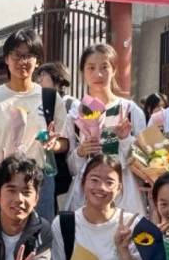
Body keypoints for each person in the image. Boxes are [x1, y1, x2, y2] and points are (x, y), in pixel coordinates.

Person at [0, 28, 68, 222]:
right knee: (3, 231)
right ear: (6, 59)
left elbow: (65, 142)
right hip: (4, 178)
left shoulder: (50, 98)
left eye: (28, 56)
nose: (22, 61)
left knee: (40, 230)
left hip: (39, 179)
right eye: (16, 55)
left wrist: (53, 144)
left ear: (37, 61)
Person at [63, 44, 147, 215]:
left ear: (114, 70)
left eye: (104, 67)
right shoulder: (75, 113)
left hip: (125, 197)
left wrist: (125, 140)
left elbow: (144, 160)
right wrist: (80, 152)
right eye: (91, 68)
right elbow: (71, 167)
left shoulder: (130, 111)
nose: (98, 74)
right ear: (83, 72)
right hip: (86, 197)